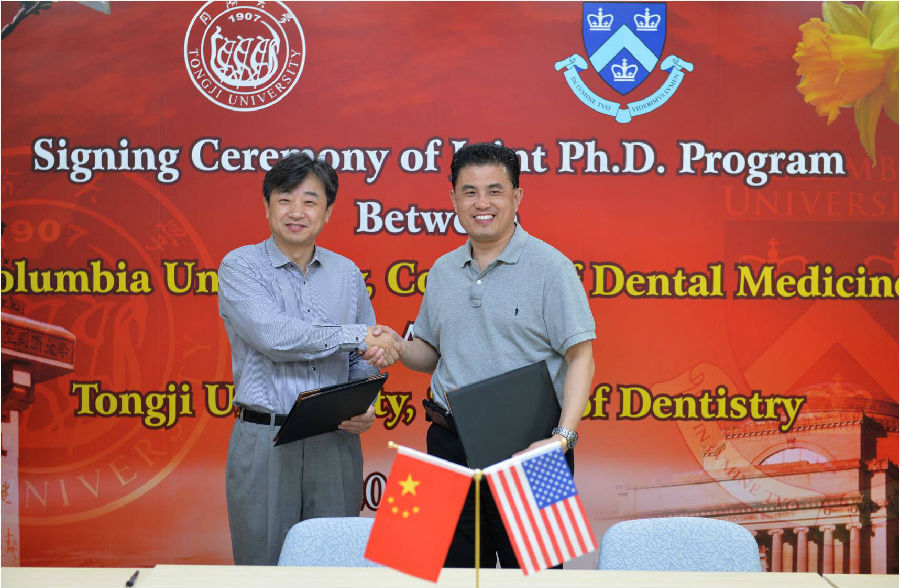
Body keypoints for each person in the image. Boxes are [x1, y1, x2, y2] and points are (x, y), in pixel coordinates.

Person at [392, 142, 596, 568]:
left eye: (495, 191)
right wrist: (397, 346)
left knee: (538, 576)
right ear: (453, 198)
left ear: (517, 197)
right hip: (446, 444)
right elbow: (431, 354)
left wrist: (562, 439)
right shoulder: (443, 270)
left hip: (534, 450)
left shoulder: (552, 268)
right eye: (469, 192)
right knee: (438, 574)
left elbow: (581, 358)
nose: (481, 203)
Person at [217, 153, 399, 565]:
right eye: (284, 200)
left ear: (328, 211)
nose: (296, 212)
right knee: (263, 568)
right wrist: (357, 335)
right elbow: (275, 336)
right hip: (267, 440)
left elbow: (364, 358)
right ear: (267, 207)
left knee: (333, 566)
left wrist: (364, 404)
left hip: (334, 440)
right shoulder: (240, 266)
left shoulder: (346, 273)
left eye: (310, 201)